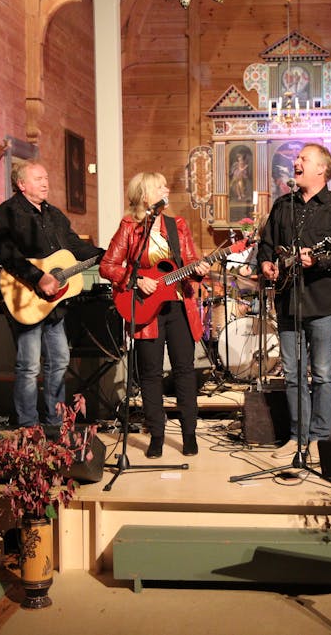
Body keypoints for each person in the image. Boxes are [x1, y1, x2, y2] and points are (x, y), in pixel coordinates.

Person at [257, 143, 331, 461]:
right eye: (297, 158)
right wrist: (266, 264)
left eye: (303, 159)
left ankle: (319, 438)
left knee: (323, 373)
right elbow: (266, 244)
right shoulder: (282, 205)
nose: (295, 162)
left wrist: (317, 262)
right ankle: (297, 437)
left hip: (323, 302)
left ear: (321, 169)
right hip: (288, 301)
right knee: (292, 374)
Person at [99, 172, 210, 458]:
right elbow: (108, 265)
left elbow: (190, 262)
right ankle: (156, 435)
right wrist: (134, 280)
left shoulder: (178, 225)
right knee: (150, 374)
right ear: (146, 195)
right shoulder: (130, 226)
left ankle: (189, 434)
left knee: (185, 370)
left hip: (178, 306)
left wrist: (198, 271)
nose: (166, 188)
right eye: (160, 185)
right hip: (144, 308)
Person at [0, 160, 104, 427]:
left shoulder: (54, 215)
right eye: (39, 178)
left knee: (60, 361)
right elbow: (5, 253)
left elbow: (74, 245)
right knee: (29, 366)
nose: (46, 183)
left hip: (55, 305)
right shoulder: (7, 212)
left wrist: (104, 254)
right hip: (25, 297)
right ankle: (28, 425)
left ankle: (55, 422)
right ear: (21, 184)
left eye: (46, 178)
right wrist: (38, 277)